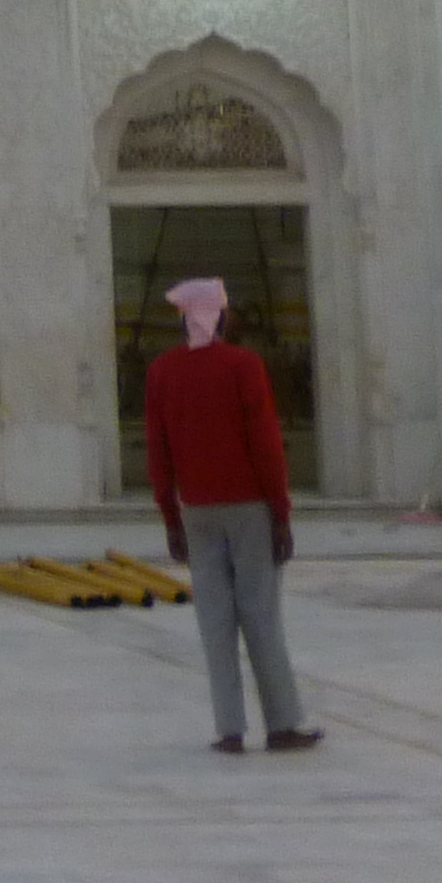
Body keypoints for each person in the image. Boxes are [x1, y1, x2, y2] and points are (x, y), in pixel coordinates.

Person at [144, 274, 318, 755]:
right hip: (248, 508)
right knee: (261, 615)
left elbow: (158, 449)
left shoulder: (162, 371)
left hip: (197, 510)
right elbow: (265, 444)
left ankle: (229, 729)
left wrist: (170, 516)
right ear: (219, 317)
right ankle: (282, 724)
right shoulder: (243, 365)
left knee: (215, 620)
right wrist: (281, 512)